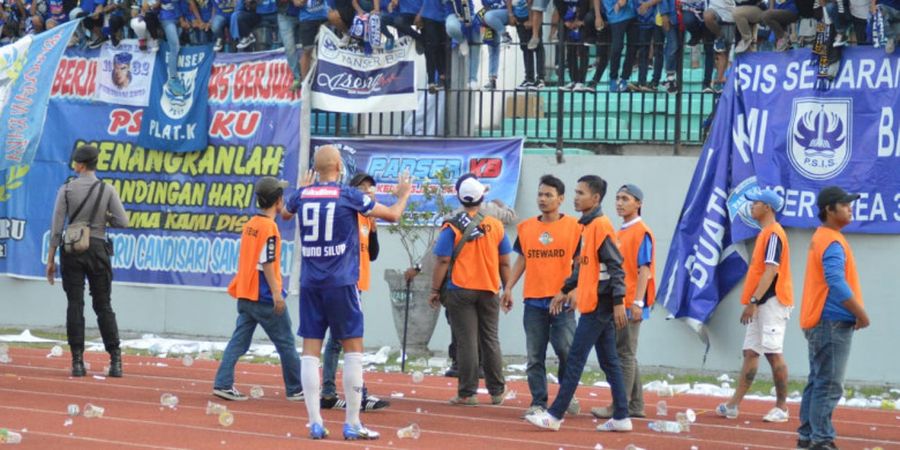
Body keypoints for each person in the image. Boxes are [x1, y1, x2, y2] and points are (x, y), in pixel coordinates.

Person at [282, 145, 412, 440]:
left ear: (315, 169)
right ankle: (352, 422)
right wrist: (403, 195)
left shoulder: (301, 196)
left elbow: (286, 214)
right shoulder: (349, 195)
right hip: (342, 282)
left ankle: (315, 422)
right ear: (339, 166)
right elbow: (392, 215)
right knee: (353, 350)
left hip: (311, 283)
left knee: (310, 351)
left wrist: (303, 189)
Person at [525, 175, 632, 433]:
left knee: (574, 358)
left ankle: (555, 415)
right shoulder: (587, 226)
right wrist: (565, 289)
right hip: (596, 301)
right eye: (575, 192)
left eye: (581, 193)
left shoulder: (600, 226)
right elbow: (584, 267)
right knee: (609, 361)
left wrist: (618, 302)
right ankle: (621, 416)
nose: (575, 197)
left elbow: (616, 267)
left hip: (600, 303)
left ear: (595, 199)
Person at [210, 177, 305, 403]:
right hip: (263, 296)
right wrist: (276, 294)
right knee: (286, 343)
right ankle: (296, 388)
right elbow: (268, 263)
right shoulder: (269, 227)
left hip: (245, 293)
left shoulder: (251, 223)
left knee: (239, 341)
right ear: (279, 201)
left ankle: (223, 383)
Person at [796, 186, 870, 450]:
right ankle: (821, 440)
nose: (851, 208)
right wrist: (861, 313)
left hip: (821, 321)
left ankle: (807, 437)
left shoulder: (824, 237)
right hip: (831, 323)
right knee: (828, 385)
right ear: (829, 209)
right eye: (845, 204)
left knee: (817, 382)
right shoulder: (832, 241)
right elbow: (836, 281)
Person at [46, 145, 129, 378]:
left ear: (80, 165)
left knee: (75, 303)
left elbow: (56, 227)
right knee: (103, 305)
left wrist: (51, 259)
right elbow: (123, 221)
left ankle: (77, 362)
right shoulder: (107, 189)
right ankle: (115, 361)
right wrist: (105, 218)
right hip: (98, 250)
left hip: (72, 250)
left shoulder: (66, 189)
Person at [428, 174, 511, 406]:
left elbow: (442, 261)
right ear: (482, 196)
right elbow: (505, 262)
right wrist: (508, 289)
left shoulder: (451, 226)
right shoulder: (495, 226)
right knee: (490, 340)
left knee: (467, 342)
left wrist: (435, 289)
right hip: (489, 288)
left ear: (459, 198)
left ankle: (467, 393)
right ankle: (497, 391)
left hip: (460, 289)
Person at [502, 175, 580, 417]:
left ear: (561, 199)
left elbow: (580, 263)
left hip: (562, 301)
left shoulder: (575, 227)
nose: (543, 199)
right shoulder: (526, 228)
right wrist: (508, 287)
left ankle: (567, 397)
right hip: (534, 302)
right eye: (540, 194)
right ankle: (538, 401)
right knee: (535, 356)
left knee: (566, 351)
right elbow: (522, 259)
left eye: (548, 195)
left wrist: (574, 290)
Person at [715, 188, 793, 423]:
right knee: (751, 352)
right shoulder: (765, 234)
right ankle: (733, 405)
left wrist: (753, 302)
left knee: (772, 353)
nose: (751, 206)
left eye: (755, 203)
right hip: (762, 302)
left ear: (767, 207)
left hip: (771, 302)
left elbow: (771, 271)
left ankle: (782, 408)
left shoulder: (773, 234)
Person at [320, 172, 390, 412]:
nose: (368, 191)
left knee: (340, 340)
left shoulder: (367, 218)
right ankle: (342, 393)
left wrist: (374, 227)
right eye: (363, 187)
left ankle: (333, 392)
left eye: (371, 188)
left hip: (357, 284)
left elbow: (373, 254)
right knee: (344, 339)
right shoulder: (346, 213)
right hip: (344, 282)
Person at [592, 184, 654, 419]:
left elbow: (644, 270)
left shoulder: (640, 231)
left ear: (638, 203)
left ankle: (620, 405)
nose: (619, 203)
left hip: (630, 302)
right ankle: (635, 405)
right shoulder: (622, 231)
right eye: (617, 198)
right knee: (626, 353)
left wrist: (637, 303)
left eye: (625, 199)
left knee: (623, 355)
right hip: (624, 300)